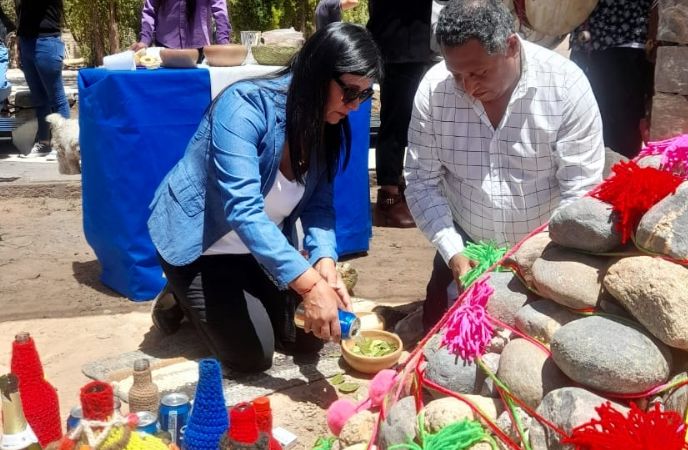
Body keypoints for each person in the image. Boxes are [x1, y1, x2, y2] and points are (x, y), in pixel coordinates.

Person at [147, 22, 383, 374]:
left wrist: (325, 266)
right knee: (252, 356)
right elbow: (243, 210)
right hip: (203, 245)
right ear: (317, 73)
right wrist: (309, 285)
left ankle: (233, 292)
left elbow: (319, 207)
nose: (353, 106)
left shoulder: (326, 124)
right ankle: (179, 293)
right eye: (349, 92)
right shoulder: (244, 107)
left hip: (258, 248)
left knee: (313, 335)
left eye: (364, 96)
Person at [404, 0, 604, 330]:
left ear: (511, 46)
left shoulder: (566, 87)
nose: (468, 87)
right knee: (439, 346)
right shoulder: (434, 90)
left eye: (479, 72)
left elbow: (580, 191)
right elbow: (421, 180)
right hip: (466, 244)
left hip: (545, 251)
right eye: (458, 75)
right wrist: (453, 251)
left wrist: (540, 260)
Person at [367, 0, 434, 228]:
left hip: (413, 46)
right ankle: (388, 196)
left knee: (412, 123)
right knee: (395, 122)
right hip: (397, 46)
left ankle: (399, 186)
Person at [569, 0, 654, 158]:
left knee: (621, 133)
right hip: (587, 42)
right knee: (580, 123)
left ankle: (618, 178)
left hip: (625, 41)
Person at [15, 0, 70, 159]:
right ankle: (44, 143)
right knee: (39, 99)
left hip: (47, 41)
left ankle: (63, 146)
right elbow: (23, 16)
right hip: (27, 43)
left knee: (57, 97)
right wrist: (19, 43)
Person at [130, 0, 231, 51]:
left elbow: (220, 11)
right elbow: (150, 9)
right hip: (165, 47)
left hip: (199, 48)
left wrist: (223, 43)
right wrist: (145, 40)